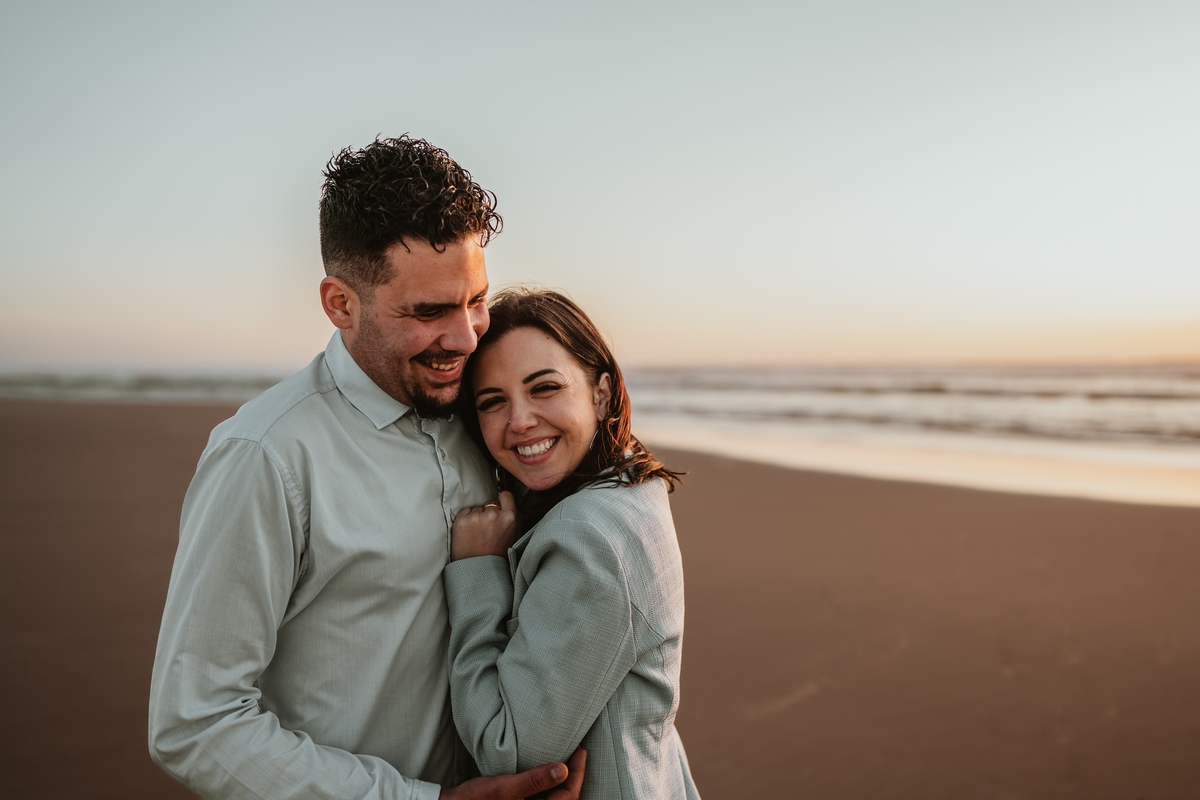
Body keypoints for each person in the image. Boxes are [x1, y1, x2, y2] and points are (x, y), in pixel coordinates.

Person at [148, 137, 584, 800]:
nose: (467, 337)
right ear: (340, 304)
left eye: (475, 300)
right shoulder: (265, 456)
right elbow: (196, 723)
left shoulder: (488, 415)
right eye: (429, 312)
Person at [445, 289, 701, 799]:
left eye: (544, 388)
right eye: (493, 401)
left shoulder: (589, 537)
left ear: (601, 392)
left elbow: (508, 749)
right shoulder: (632, 487)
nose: (519, 421)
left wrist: (477, 572)